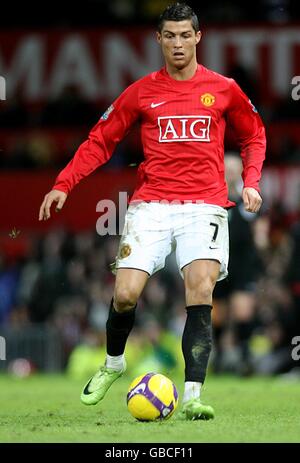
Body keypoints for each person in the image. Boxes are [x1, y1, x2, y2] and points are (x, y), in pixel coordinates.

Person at [39, 3, 266, 420]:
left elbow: (254, 133)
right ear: (158, 40)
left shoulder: (224, 88)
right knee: (125, 295)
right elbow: (100, 140)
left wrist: (250, 181)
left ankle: (193, 393)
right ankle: (114, 364)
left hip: (206, 205)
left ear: (198, 37)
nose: (178, 43)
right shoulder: (141, 92)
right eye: (170, 36)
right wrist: (63, 183)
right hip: (152, 205)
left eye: (185, 35)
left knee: (200, 291)